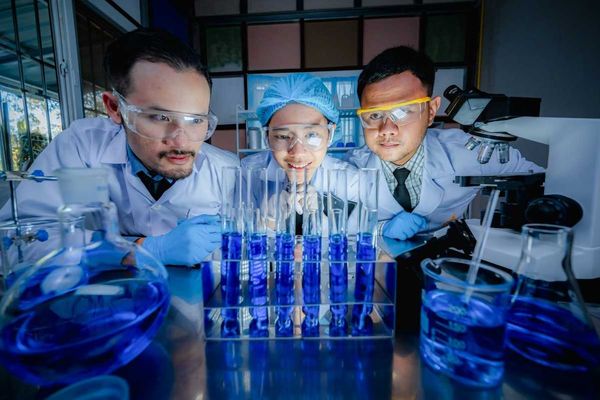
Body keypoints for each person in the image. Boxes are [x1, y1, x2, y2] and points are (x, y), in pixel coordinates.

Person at [0, 29, 239, 265]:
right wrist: (142, 250)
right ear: (115, 108)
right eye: (160, 117)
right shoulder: (83, 149)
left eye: (196, 120)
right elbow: (16, 242)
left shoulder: (225, 170)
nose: (181, 142)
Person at [346, 46, 543, 240]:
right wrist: (381, 229)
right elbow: (333, 228)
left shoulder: (470, 152)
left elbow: (541, 182)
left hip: (448, 258)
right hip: (380, 266)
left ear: (431, 111)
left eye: (403, 111)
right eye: (374, 115)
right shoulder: (352, 167)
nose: (387, 129)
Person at [240, 73, 359, 236]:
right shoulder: (247, 174)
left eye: (312, 135)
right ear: (267, 137)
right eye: (282, 136)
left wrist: (322, 223)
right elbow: (239, 245)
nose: (297, 153)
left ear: (330, 135)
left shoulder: (349, 180)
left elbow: (354, 249)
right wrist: (268, 222)